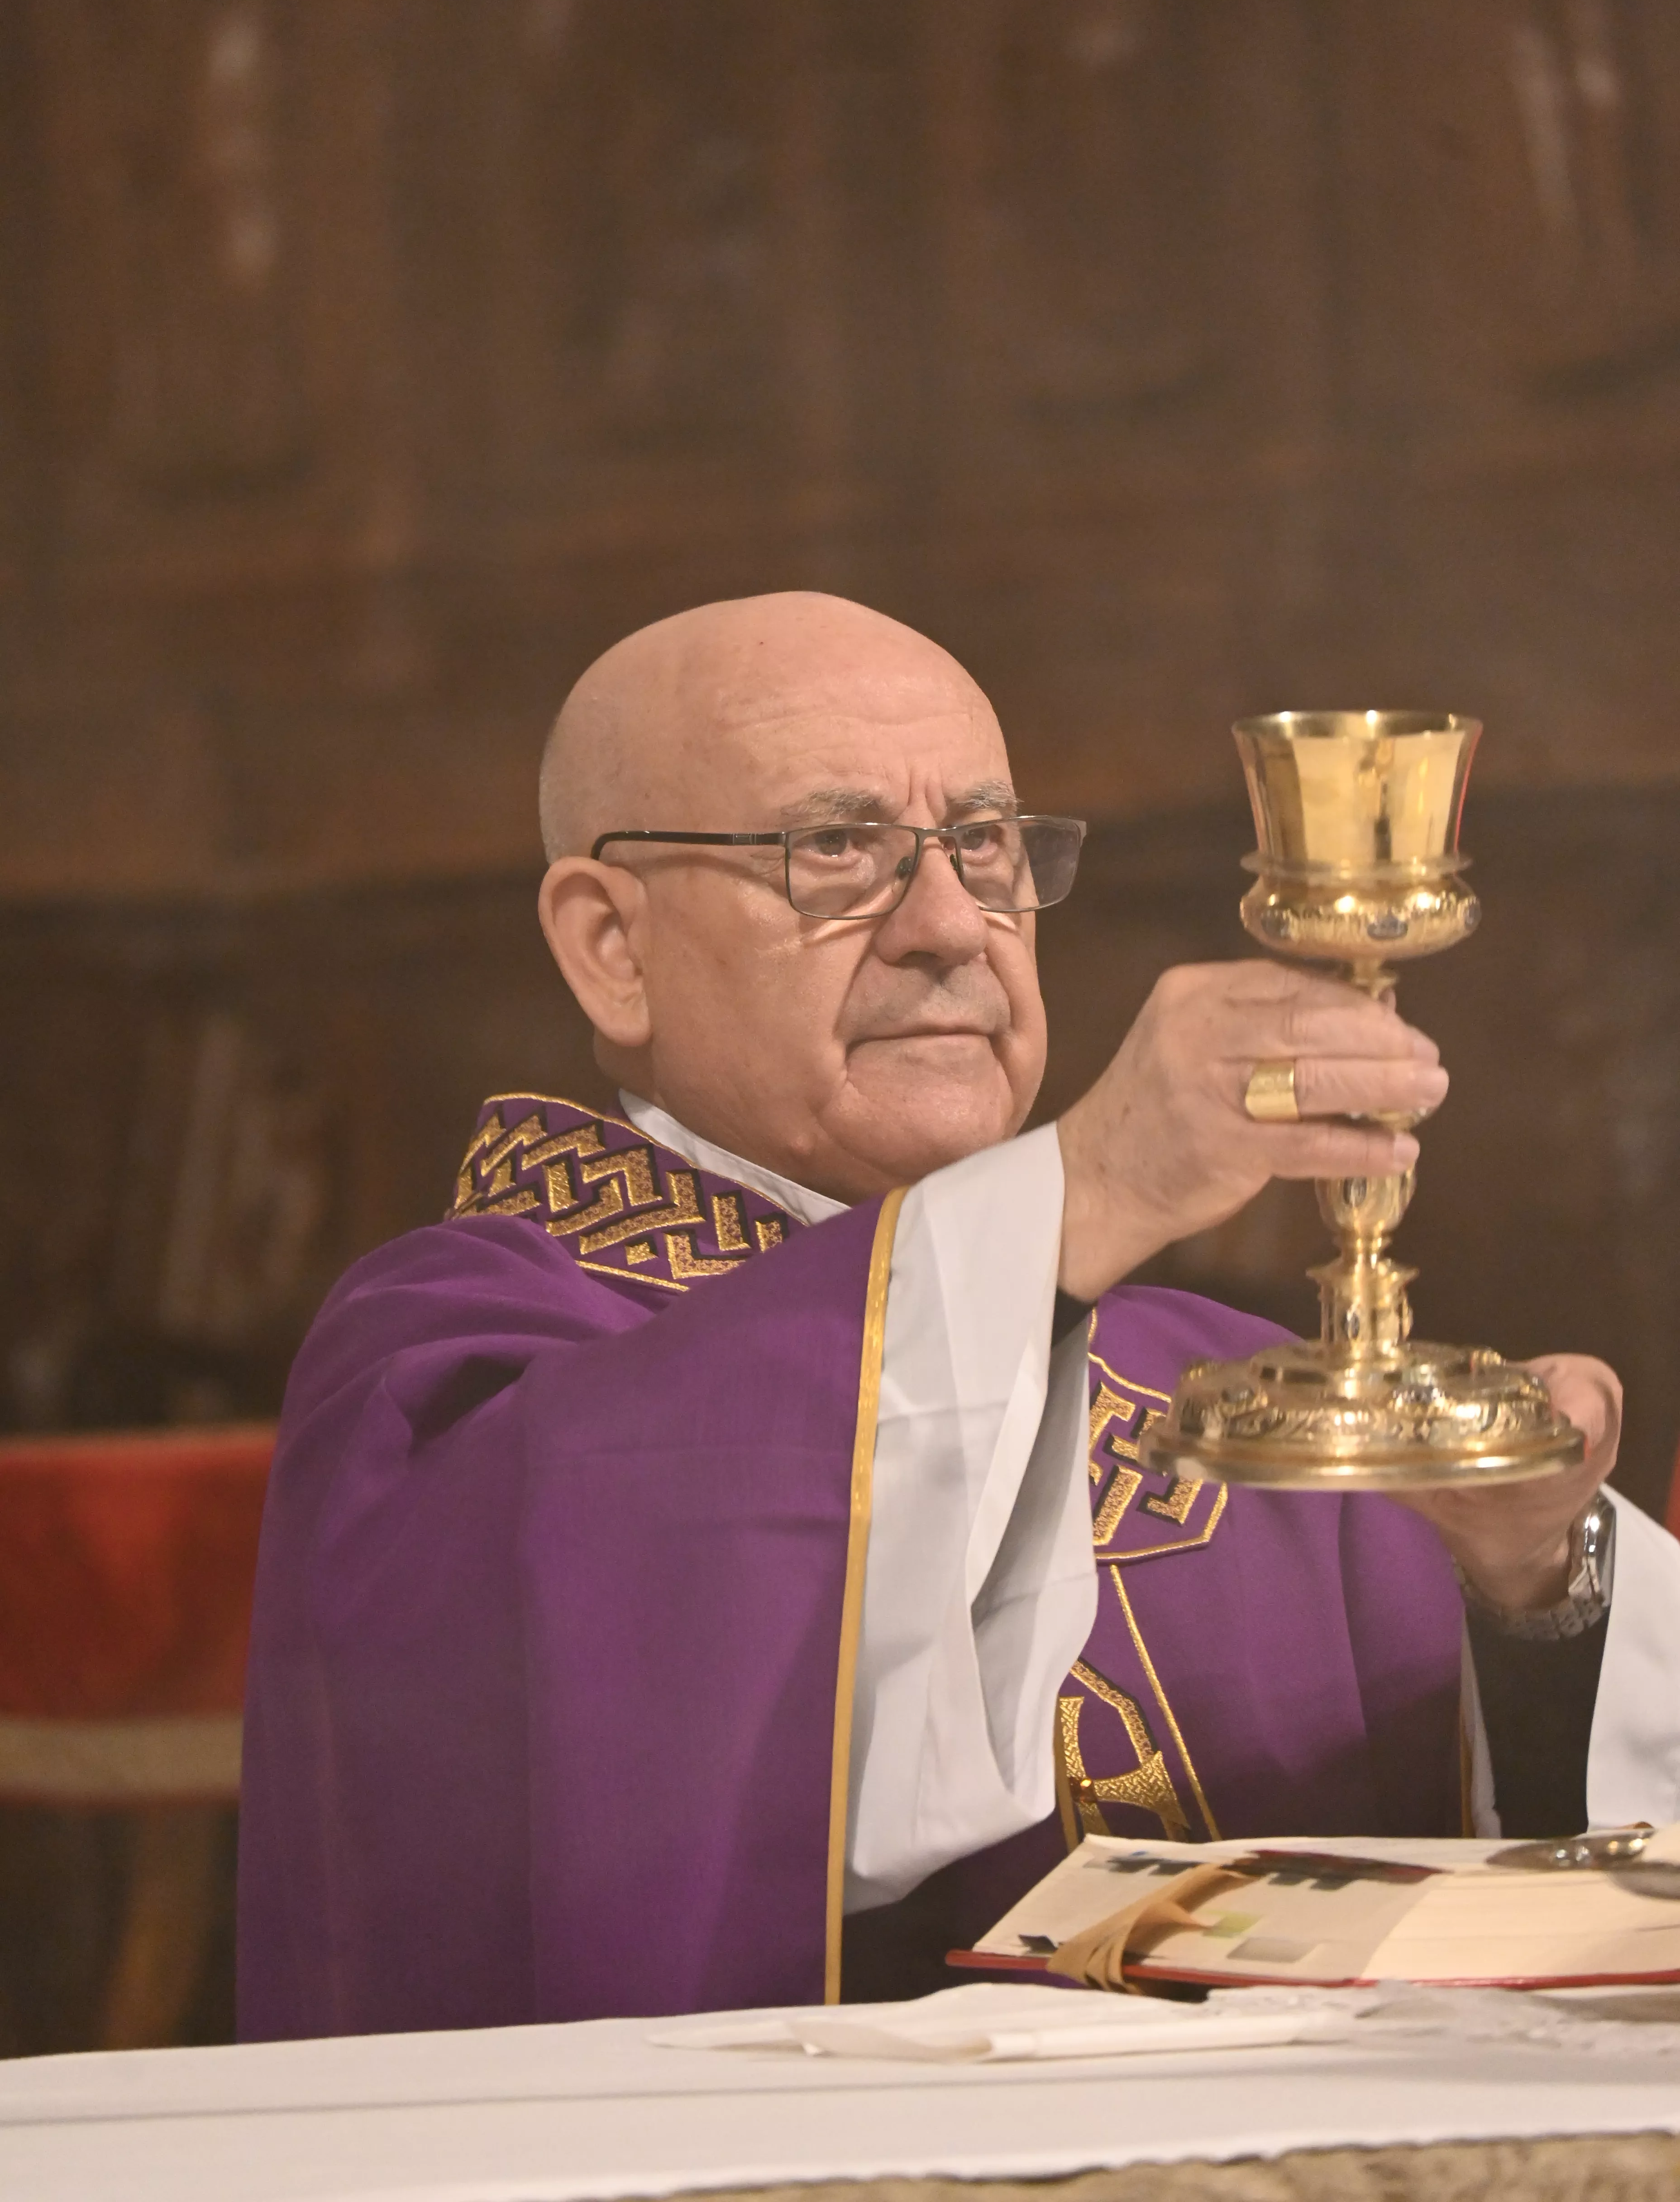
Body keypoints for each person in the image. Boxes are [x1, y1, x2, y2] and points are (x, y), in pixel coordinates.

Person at [238, 594, 1680, 2039]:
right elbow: (594, 1736)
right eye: (836, 850)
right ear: (612, 946)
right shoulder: (455, 1365)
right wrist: (1093, 1183)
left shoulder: (1219, 1379)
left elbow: (1561, 1893)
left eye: (984, 847)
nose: (948, 928)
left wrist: (1532, 1592)